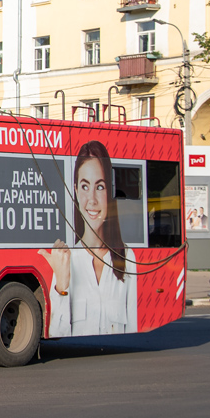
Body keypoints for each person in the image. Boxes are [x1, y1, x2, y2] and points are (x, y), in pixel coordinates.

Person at [38, 140, 137, 336]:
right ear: (75, 190)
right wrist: (61, 285)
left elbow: (132, 328)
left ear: (110, 191)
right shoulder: (66, 258)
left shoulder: (127, 257)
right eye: (85, 186)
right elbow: (56, 333)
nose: (91, 199)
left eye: (100, 187)